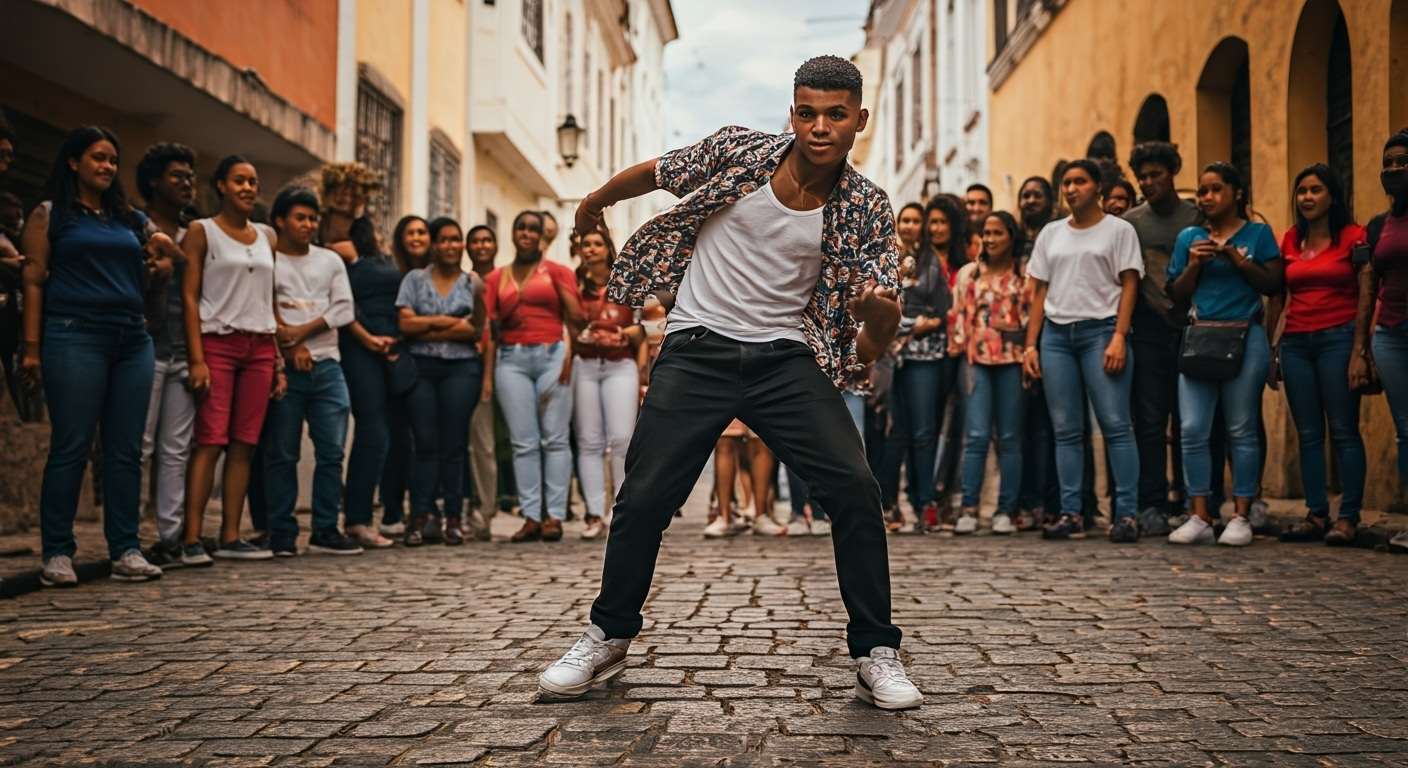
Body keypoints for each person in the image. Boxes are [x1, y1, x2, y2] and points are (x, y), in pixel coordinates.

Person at [537, 56, 923, 711]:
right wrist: (594, 201)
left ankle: (875, 650)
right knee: (645, 498)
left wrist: (881, 320)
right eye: (807, 111)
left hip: (786, 362)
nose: (820, 127)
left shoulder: (866, 209)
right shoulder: (738, 152)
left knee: (856, 490)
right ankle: (607, 634)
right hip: (697, 349)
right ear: (792, 111)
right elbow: (658, 174)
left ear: (860, 119)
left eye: (836, 115)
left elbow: (869, 340)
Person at [19, 125, 168, 586]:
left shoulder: (128, 217)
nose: (106, 167)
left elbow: (169, 253)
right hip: (73, 335)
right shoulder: (50, 214)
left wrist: (161, 257)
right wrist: (31, 349)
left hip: (131, 339)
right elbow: (33, 280)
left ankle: (126, 550)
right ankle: (57, 555)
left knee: (125, 451)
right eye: (98, 158)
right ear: (73, 161)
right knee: (72, 446)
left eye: (112, 160)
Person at [1022, 159, 1143, 543]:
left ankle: (1127, 515)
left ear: (1098, 187)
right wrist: (1031, 346)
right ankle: (1071, 513)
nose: (1071, 188)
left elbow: (1129, 285)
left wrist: (1120, 336)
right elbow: (1039, 293)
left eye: (1080, 181)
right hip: (1056, 337)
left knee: (1116, 425)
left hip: (1102, 332)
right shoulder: (1051, 233)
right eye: (1067, 182)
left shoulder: (1119, 230)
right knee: (1066, 430)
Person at [1165, 163, 1283, 547]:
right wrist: (1196, 264)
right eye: (1202, 191)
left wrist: (1238, 259)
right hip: (1201, 338)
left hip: (1246, 337)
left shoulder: (1259, 234)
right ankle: (1199, 514)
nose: (1207, 197)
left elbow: (1273, 283)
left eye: (1216, 189)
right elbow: (1176, 294)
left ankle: (1242, 515)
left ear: (1237, 194)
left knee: (1241, 429)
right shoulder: (1189, 237)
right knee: (1192, 429)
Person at [179, 155, 286, 565]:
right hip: (217, 343)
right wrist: (197, 358)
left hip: (259, 347)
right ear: (221, 185)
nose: (247, 188)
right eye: (239, 181)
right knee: (210, 441)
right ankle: (191, 539)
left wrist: (276, 361)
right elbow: (189, 296)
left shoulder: (267, 237)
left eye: (253, 181)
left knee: (245, 444)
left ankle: (230, 536)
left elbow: (268, 299)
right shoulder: (201, 231)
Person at [259, 187, 363, 556]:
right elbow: (262, 307)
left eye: (312, 218)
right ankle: (282, 533)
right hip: (285, 369)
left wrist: (299, 335)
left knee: (333, 452)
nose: (308, 224)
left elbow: (344, 309)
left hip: (328, 366)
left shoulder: (329, 260)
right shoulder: (268, 260)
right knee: (282, 453)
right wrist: (288, 350)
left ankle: (325, 529)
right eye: (300, 217)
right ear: (279, 221)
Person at [1272, 164, 1368, 546]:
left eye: (1315, 190)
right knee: (1308, 434)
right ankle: (1315, 514)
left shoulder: (1354, 237)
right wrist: (1273, 349)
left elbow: (1366, 291)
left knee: (1343, 430)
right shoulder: (1290, 240)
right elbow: (1278, 296)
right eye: (1301, 191)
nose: (1307, 197)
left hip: (1339, 339)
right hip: (1295, 343)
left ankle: (1347, 518)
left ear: (1332, 196)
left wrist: (1361, 348)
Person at [482, 211, 583, 543]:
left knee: (554, 439)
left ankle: (554, 516)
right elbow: (491, 331)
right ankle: (530, 517)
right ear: (512, 234)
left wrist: (569, 357)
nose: (526, 233)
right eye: (520, 227)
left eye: (532, 229)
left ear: (541, 237)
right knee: (523, 442)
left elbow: (576, 318)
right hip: (510, 361)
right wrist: (487, 377)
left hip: (552, 355)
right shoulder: (496, 278)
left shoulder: (558, 272)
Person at [1123, 141, 1206, 535]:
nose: (1148, 182)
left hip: (1196, 326)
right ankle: (1152, 503)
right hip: (1149, 329)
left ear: (1173, 172)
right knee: (1152, 421)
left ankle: (1196, 500)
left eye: (1156, 174)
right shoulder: (1133, 222)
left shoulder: (1197, 215)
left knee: (1192, 421)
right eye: (1142, 176)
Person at [396, 217, 485, 546]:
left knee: (453, 443)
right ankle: (419, 517)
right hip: (420, 367)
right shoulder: (414, 280)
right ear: (433, 245)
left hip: (462, 368)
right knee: (424, 442)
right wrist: (449, 322)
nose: (450, 245)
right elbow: (405, 326)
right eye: (443, 240)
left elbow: (472, 330)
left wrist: (426, 323)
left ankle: (452, 518)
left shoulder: (472, 283)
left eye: (455, 239)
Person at [878, 195, 960, 532]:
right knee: (896, 433)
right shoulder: (885, 260)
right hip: (890, 358)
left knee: (925, 432)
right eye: (905, 220)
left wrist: (908, 326)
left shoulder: (930, 264)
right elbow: (879, 311)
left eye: (916, 220)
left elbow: (941, 314)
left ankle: (926, 504)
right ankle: (893, 504)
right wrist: (913, 325)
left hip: (926, 358)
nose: (910, 225)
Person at [133, 142, 198, 569]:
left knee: (176, 449)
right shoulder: (134, 226)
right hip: (144, 346)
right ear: (154, 181)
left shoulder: (196, 232)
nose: (187, 182)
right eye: (177, 175)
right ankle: (129, 537)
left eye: (191, 176)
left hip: (185, 350)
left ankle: (170, 537)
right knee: (138, 445)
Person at [948, 211, 1028, 535]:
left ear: (1011, 236)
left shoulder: (1024, 274)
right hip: (975, 362)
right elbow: (957, 317)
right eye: (987, 233)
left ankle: (1005, 511)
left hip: (1013, 361)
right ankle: (969, 507)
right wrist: (959, 356)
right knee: (977, 436)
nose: (991, 239)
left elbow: (1031, 317)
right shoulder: (970, 274)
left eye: (998, 233)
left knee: (1010, 438)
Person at [572, 226, 646, 540]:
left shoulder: (625, 281)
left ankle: (619, 510)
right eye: (584, 244)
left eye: (596, 244)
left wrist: (620, 334)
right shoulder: (573, 287)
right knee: (588, 441)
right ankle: (592, 514)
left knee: (621, 439)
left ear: (607, 249)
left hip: (620, 366)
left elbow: (642, 328)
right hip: (585, 365)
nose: (590, 249)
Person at [338, 217, 403, 548]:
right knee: (373, 430)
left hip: (394, 348)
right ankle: (357, 519)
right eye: (377, 230)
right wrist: (370, 340)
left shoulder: (392, 262)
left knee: (392, 432)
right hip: (360, 347)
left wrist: (395, 339)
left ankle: (386, 513)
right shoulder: (348, 260)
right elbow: (343, 309)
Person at [1364, 131, 1408, 552]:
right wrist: (1363, 344)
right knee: (1406, 431)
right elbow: (1370, 284)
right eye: (1388, 162)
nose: (1393, 169)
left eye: (1402, 162)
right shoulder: (1379, 225)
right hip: (1390, 335)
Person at [377, 215, 431, 537]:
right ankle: (392, 509)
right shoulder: (388, 272)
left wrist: (424, 324)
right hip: (394, 362)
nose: (416, 238)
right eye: (409, 232)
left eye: (422, 232)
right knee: (395, 437)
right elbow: (402, 322)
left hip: (429, 363)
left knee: (425, 441)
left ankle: (423, 511)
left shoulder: (439, 275)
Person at [464, 224, 500, 538]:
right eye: (475, 240)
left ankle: (487, 509)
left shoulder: (504, 280)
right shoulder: (465, 281)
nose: (481, 245)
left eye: (487, 239)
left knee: (493, 444)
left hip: (507, 362)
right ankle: (474, 511)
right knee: (476, 441)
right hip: (470, 365)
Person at [317, 162, 380, 264]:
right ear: (327, 194)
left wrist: (354, 259)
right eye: (342, 193)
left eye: (354, 196)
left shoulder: (364, 230)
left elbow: (373, 268)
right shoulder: (314, 223)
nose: (347, 200)